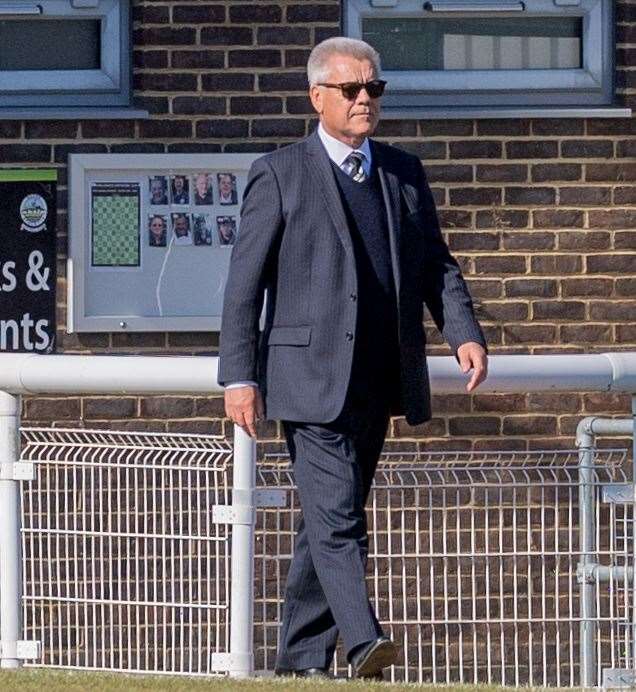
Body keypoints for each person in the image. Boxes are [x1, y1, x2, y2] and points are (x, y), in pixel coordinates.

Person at [218, 37, 488, 681]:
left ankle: (300, 660)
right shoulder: (280, 172)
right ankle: (364, 642)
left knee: (325, 519)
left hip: (379, 379)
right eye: (351, 89)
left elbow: (435, 264)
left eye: (374, 88)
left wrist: (464, 332)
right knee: (338, 517)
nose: (365, 99)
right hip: (306, 381)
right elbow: (242, 284)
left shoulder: (401, 171)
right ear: (318, 97)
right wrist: (239, 375)